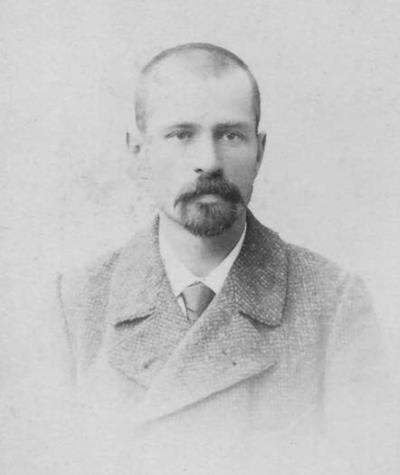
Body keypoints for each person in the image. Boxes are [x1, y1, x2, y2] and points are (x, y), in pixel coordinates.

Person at [57, 44, 383, 464]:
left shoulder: (333, 303)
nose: (208, 162)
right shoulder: (74, 305)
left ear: (259, 152)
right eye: (181, 135)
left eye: (230, 135)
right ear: (139, 153)